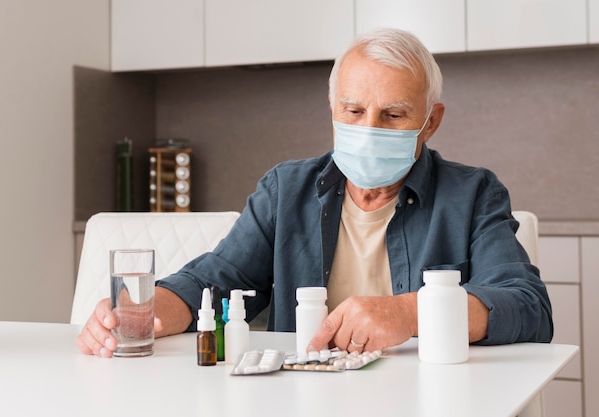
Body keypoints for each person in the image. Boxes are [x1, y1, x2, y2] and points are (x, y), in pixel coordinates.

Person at [76, 27, 553, 358]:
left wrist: (411, 313)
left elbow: (528, 307)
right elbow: (216, 278)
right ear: (330, 107)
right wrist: (141, 312)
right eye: (352, 110)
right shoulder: (286, 189)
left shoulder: (473, 194)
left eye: (393, 115)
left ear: (430, 122)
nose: (369, 129)